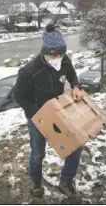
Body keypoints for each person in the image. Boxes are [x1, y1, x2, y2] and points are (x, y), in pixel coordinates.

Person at [14, 24, 83, 199]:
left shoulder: (64, 60)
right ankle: (36, 183)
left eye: (61, 53)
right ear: (45, 52)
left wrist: (75, 86)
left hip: (58, 111)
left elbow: (72, 74)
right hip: (37, 117)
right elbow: (19, 97)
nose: (58, 58)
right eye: (54, 54)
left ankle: (66, 181)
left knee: (75, 145)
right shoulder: (29, 71)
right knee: (38, 154)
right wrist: (38, 114)